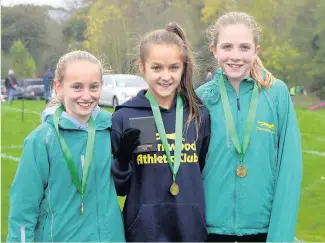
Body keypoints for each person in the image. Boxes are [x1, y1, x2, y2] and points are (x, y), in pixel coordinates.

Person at [196, 12, 302, 242]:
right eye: (227, 47)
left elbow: (290, 167)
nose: (235, 56)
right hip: (210, 230)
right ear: (214, 50)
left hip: (261, 230)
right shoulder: (201, 98)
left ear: (256, 51)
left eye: (244, 47)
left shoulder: (276, 93)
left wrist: (280, 236)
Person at [7, 50, 125, 242]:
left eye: (93, 87)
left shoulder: (111, 129)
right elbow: (23, 210)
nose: (86, 96)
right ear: (58, 87)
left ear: (102, 86)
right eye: (77, 87)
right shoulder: (42, 140)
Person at [111, 22, 210, 242]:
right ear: (141, 67)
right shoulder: (124, 117)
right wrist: (122, 160)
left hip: (190, 229)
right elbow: (119, 188)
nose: (166, 76)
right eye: (157, 68)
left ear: (183, 67)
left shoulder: (198, 115)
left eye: (173, 67)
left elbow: (200, 169)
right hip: (143, 231)